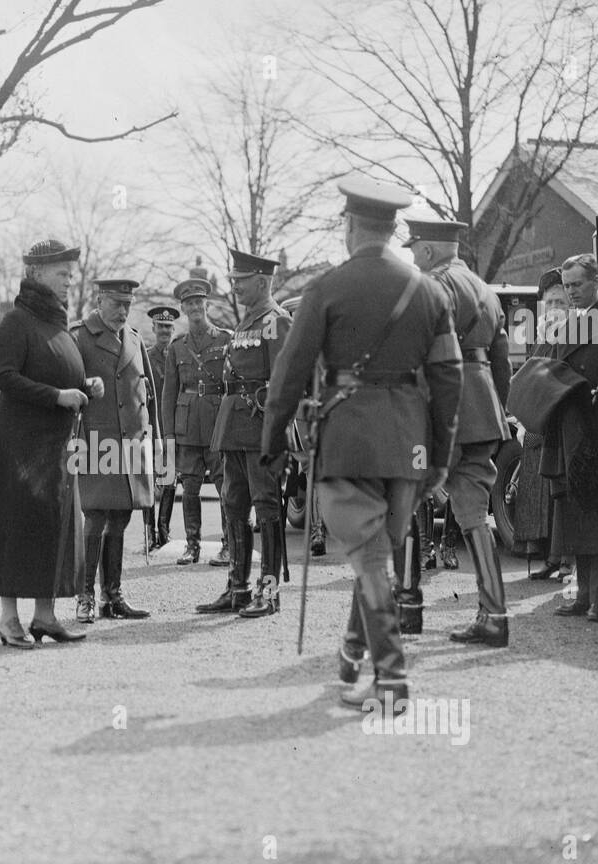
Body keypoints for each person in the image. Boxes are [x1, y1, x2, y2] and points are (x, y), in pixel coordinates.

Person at [262, 174, 462, 708]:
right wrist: (440, 456)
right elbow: (449, 377)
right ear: (394, 229)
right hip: (409, 445)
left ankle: (393, 680)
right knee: (377, 553)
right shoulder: (429, 291)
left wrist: (272, 440)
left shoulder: (327, 288)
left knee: (373, 561)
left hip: (347, 441)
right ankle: (352, 656)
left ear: (351, 225)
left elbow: (289, 371)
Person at [0, 238, 99, 647]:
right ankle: (9, 619)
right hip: (19, 446)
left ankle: (45, 617)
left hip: (54, 446)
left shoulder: (54, 323)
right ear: (36, 274)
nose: (69, 281)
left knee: (52, 527)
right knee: (15, 528)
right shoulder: (17, 320)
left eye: (70, 274)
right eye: (62, 274)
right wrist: (59, 396)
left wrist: (85, 385)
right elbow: (3, 376)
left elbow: (55, 370)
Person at [406, 218, 511, 647]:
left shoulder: (433, 286)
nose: (411, 257)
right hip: (482, 409)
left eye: (414, 249)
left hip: (440, 409)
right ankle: (494, 614)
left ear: (429, 251)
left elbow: (421, 354)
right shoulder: (484, 289)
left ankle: (408, 607)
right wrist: (496, 411)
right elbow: (501, 360)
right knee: (473, 514)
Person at [196, 248, 291, 618]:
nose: (234, 286)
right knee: (234, 503)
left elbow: (286, 380)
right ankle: (238, 587)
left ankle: (269, 591)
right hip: (234, 424)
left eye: (241, 281)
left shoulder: (275, 320)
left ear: (263, 281)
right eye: (233, 280)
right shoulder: (247, 322)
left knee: (266, 505)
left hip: (259, 426)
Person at [71, 278, 159, 623]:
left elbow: (146, 396)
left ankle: (113, 596)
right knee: (94, 516)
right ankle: (85, 596)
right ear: (99, 300)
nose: (123, 310)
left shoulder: (135, 339)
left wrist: (156, 446)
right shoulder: (79, 336)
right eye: (116, 303)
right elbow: (66, 385)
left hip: (133, 442)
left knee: (122, 516)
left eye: (128, 304)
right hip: (96, 440)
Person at [545, 253, 598, 622]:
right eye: (567, 286)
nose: (572, 292)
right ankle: (582, 596)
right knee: (576, 514)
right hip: (570, 428)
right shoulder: (566, 324)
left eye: (578, 284)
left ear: (595, 282)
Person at [161, 277, 233, 567]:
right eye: (189, 304)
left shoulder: (225, 339)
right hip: (187, 426)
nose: (194, 308)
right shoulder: (178, 347)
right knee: (189, 488)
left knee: (225, 486)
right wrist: (169, 436)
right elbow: (169, 394)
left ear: (207, 305)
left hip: (217, 424)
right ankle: (193, 546)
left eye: (198, 303)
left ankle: (229, 545)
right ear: (183, 307)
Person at [510, 267, 569, 579]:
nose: (556, 309)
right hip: (538, 419)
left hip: (560, 418)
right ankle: (548, 555)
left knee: (562, 491)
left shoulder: (575, 332)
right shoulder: (541, 336)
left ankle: (565, 558)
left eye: (561, 302)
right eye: (551, 304)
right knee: (537, 485)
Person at [144, 305, 178, 551]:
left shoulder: (179, 355)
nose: (164, 331)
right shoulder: (145, 356)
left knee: (169, 481)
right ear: (153, 328)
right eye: (161, 327)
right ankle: (149, 533)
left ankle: (163, 531)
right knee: (148, 480)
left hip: (173, 427)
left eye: (168, 327)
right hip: (151, 426)